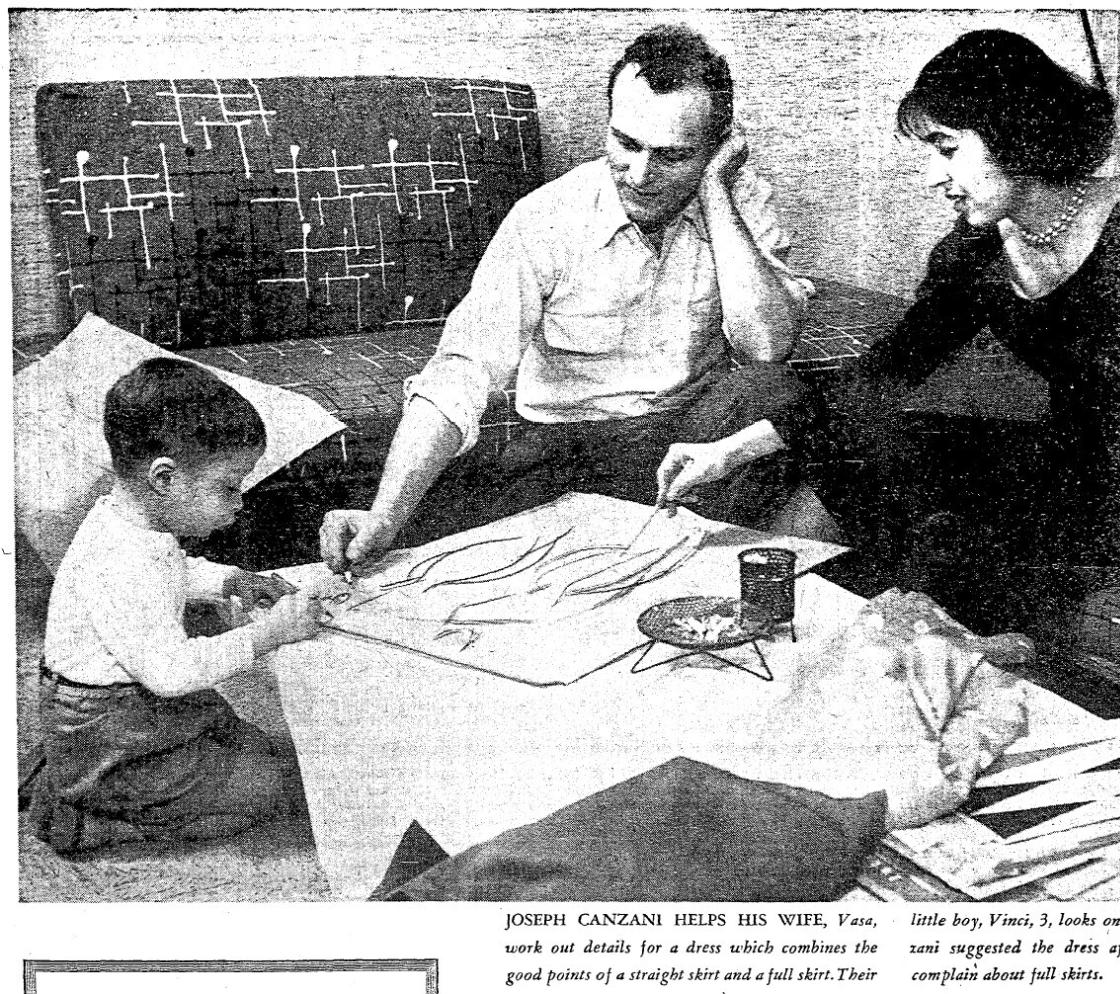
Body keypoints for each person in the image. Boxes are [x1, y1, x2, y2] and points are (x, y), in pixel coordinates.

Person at [656, 29, 1120, 662]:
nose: (932, 177)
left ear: (1016, 131)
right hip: (1054, 463)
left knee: (949, 529)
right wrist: (726, 452)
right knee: (867, 442)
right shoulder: (976, 247)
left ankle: (993, 639)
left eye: (946, 149)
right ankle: (772, 627)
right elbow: (883, 375)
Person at [320, 24, 814, 575]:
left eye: (673, 156)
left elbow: (767, 349)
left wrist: (715, 193)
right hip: (567, 449)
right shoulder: (547, 216)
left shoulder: (741, 202)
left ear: (717, 149)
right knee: (434, 545)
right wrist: (386, 515)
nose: (640, 175)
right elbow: (462, 370)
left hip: (689, 440)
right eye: (626, 144)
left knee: (775, 391)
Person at [29, 358, 325, 854]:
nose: (239, 503)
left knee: (259, 748)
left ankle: (76, 775)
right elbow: (172, 673)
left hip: (137, 705)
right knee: (266, 788)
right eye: (228, 486)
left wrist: (230, 580)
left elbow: (175, 570)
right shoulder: (120, 560)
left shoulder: (136, 526)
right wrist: (267, 634)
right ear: (164, 478)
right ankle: (84, 815)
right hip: (113, 724)